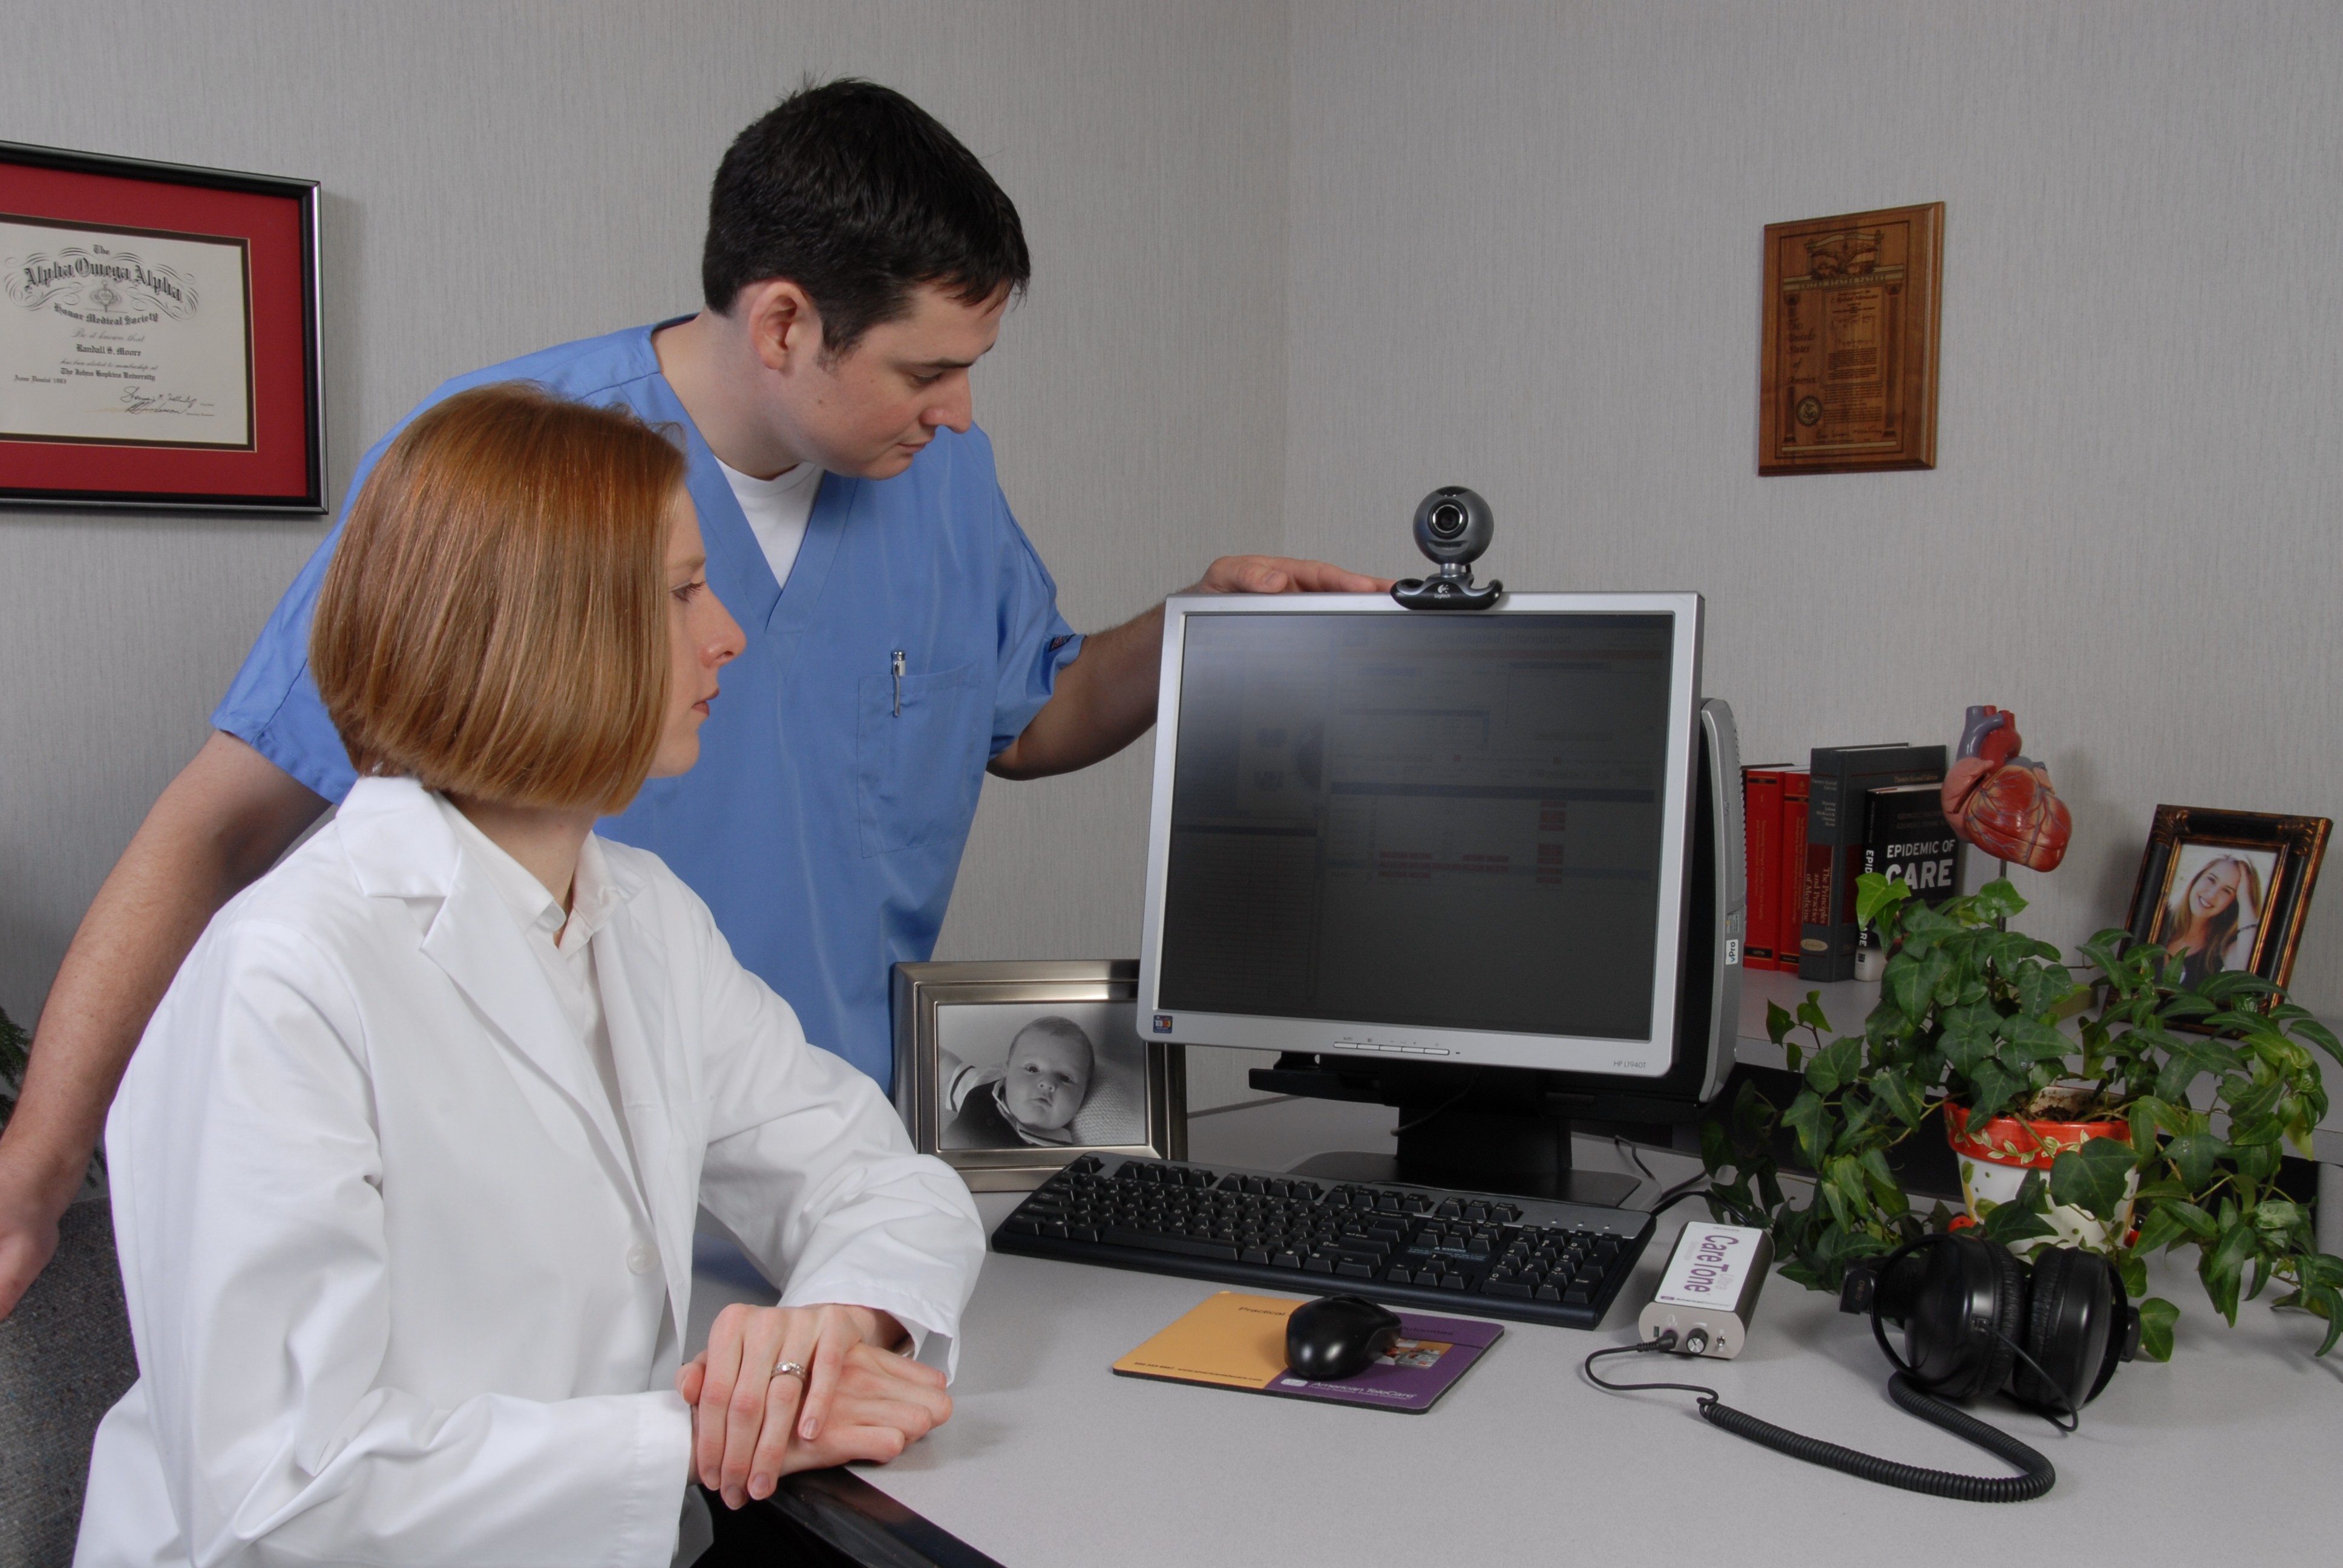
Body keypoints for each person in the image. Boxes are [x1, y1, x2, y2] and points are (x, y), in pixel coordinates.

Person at [0, 78, 1384, 1319]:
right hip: (549, 1221)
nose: (958, 411)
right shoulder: (523, 480)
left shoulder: (940, 478)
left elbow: (1027, 716)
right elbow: (223, 824)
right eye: (926, 369)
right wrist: (37, 1170)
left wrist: (1198, 628)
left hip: (820, 1178)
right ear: (784, 322)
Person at [77, 385, 981, 1567]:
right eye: (681, 592)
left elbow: (880, 1179)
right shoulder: (285, 978)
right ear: (544, 633)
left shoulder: (645, 917)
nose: (728, 634)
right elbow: (273, 1497)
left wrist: (830, 1327)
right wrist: (700, 1433)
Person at [940, 1014, 1122, 1148]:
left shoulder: (1058, 1154)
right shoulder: (983, 1085)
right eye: (1033, 1069)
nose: (1048, 1084)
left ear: (1084, 1093)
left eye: (1065, 1078)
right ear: (1006, 1070)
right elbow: (944, 1068)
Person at [2160, 853, 2264, 985]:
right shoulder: (2159, 915)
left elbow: (2246, 977)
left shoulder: (2223, 944)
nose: (2212, 894)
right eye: (2211, 879)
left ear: (2234, 903)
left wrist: (2245, 899)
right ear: (2197, 878)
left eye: (2227, 891)